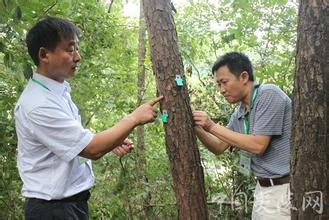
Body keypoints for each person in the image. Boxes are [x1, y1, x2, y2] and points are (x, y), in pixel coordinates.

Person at [14, 17, 163, 219]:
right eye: (70, 49)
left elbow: (72, 142)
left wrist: (111, 142)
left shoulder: (57, 92)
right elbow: (92, 149)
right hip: (53, 211)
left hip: (69, 206)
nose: (78, 57)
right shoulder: (38, 103)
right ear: (44, 54)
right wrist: (133, 119)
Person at [193, 52, 291, 219]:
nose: (222, 90)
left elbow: (257, 146)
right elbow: (218, 146)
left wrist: (211, 125)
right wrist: (197, 128)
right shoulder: (239, 113)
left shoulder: (268, 95)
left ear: (244, 77)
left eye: (224, 82)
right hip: (262, 189)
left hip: (283, 189)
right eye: (218, 85)